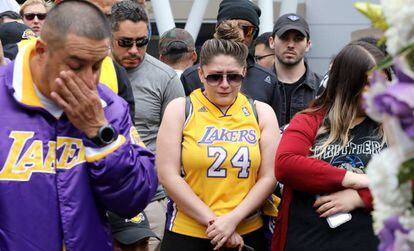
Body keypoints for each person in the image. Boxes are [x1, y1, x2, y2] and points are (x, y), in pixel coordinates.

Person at [0, 1, 158, 250]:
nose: (88, 80)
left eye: (96, 66)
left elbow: (134, 200)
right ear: (41, 51)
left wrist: (101, 135)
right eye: (75, 66)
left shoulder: (109, 106)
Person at [157, 38, 280, 251]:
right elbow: (168, 175)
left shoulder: (261, 112)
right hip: (188, 232)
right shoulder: (180, 109)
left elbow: (269, 176)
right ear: (201, 74)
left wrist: (232, 220)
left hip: (246, 231)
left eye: (233, 77)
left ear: (244, 72)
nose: (224, 84)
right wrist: (216, 223)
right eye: (215, 77)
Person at [272, 41, 390, 251]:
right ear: (348, 84)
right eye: (371, 84)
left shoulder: (393, 125)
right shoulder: (309, 120)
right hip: (308, 240)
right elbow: (286, 165)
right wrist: (355, 179)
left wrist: (361, 197)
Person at [110, 2, 185, 250]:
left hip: (151, 198)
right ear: (109, 35)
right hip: (98, 195)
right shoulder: (91, 71)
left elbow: (180, 143)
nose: (134, 50)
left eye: (142, 42)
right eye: (125, 42)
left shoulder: (165, 78)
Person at [180, 0, 278, 116]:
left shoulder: (267, 79)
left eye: (247, 30)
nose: (239, 34)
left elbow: (277, 125)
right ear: (201, 74)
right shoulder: (191, 77)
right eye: (214, 77)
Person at [269, 13, 323, 127]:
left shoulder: (323, 88)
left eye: (298, 39)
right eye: (284, 37)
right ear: (272, 42)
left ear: (308, 45)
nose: (291, 45)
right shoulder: (258, 85)